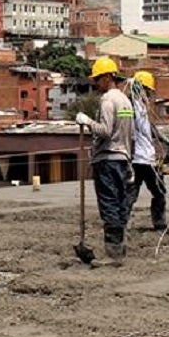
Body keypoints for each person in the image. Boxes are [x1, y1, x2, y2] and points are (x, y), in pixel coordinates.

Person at [74, 57, 134, 263]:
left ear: (108, 77)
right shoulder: (126, 101)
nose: (96, 84)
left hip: (108, 159)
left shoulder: (108, 100)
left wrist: (87, 121)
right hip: (123, 157)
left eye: (98, 79)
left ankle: (113, 253)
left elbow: (106, 131)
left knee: (108, 203)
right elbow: (129, 133)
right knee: (120, 203)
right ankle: (120, 248)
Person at [126, 71, 169, 231]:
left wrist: (164, 140)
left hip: (147, 158)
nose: (150, 94)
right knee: (131, 194)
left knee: (159, 192)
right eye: (148, 90)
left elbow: (149, 129)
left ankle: (159, 223)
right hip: (137, 159)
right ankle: (123, 224)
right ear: (140, 88)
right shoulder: (130, 106)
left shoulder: (143, 108)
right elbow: (127, 129)